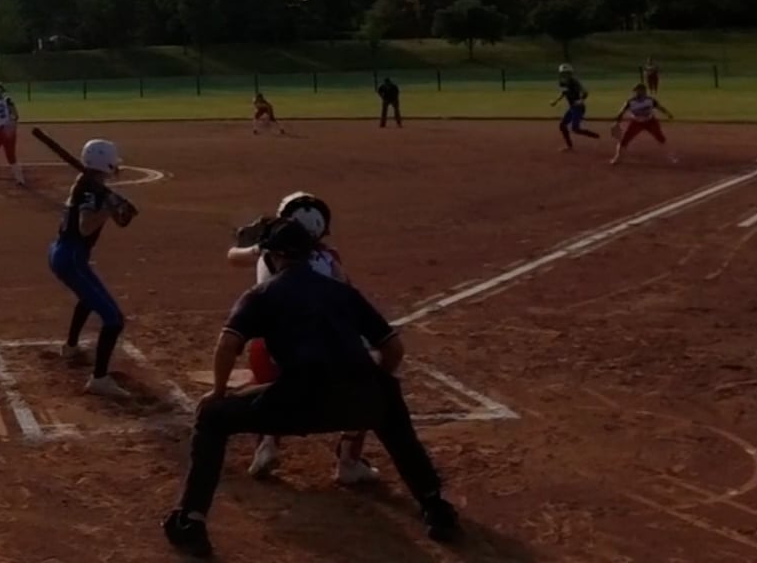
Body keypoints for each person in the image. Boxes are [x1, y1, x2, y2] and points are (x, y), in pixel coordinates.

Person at [163, 217, 459, 557]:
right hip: (359, 398)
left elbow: (228, 344)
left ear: (273, 256)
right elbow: (393, 348)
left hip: (299, 401)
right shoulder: (343, 291)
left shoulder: (262, 293)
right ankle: (436, 506)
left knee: (212, 418)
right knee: (390, 404)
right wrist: (376, 382)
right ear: (309, 254)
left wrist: (217, 391)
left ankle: (191, 520)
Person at [225, 193, 376, 485]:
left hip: (269, 352)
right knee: (367, 386)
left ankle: (267, 444)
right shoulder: (330, 259)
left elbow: (233, 257)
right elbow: (347, 294)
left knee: (268, 384)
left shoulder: (267, 254)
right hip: (324, 354)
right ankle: (349, 461)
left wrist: (257, 242)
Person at [51, 138, 138, 399]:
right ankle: (99, 379)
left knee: (88, 298)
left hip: (65, 254)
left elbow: (123, 221)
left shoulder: (87, 185)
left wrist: (115, 207)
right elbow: (85, 227)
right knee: (114, 320)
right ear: (106, 163)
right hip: (71, 258)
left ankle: (70, 347)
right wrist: (110, 208)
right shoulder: (91, 191)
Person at [609, 82, 676, 166]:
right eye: (636, 91)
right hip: (636, 122)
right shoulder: (631, 101)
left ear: (643, 91)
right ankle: (618, 158)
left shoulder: (650, 100)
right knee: (625, 140)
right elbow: (622, 112)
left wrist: (668, 114)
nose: (636, 93)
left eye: (638, 91)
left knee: (661, 138)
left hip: (650, 121)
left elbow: (660, 107)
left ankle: (671, 157)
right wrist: (617, 122)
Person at [551, 64, 601, 151]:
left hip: (578, 107)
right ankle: (569, 146)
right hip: (572, 108)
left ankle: (594, 135)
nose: (565, 75)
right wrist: (556, 101)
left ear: (570, 73)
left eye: (567, 73)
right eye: (563, 73)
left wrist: (581, 100)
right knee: (562, 126)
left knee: (575, 129)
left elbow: (585, 92)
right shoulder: (562, 82)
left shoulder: (574, 82)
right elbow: (564, 93)